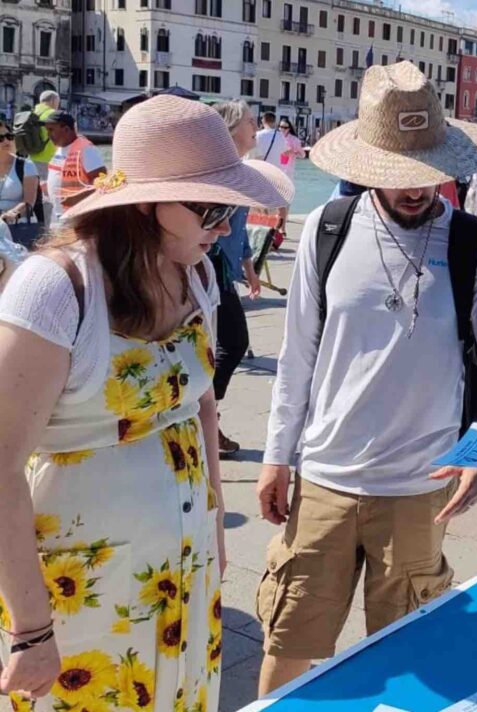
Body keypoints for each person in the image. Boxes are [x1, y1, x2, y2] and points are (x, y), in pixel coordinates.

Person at [0, 95, 292, 712]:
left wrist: (214, 526)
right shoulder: (58, 288)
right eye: (211, 208)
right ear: (144, 201)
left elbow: (201, 408)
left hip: (183, 575)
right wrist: (31, 630)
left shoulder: (198, 275)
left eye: (228, 210)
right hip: (79, 592)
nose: (222, 227)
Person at [254, 61, 477, 695]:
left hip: (420, 490)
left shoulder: (471, 243)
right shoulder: (328, 230)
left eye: (428, 171)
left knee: (411, 660)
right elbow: (297, 355)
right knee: (289, 648)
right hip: (323, 479)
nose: (416, 188)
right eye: (401, 173)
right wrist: (276, 456)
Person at [210, 100, 264, 456]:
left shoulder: (237, 170)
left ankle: (204, 421)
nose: (255, 126)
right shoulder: (219, 171)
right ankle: (202, 421)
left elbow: (238, 229)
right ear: (230, 129)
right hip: (208, 264)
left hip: (223, 268)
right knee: (232, 342)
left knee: (222, 345)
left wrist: (249, 270)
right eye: (249, 121)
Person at [44, 112, 107, 224]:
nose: (48, 135)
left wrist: (78, 198)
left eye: (51, 130)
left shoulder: (86, 150)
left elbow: (103, 182)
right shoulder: (60, 148)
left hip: (78, 215)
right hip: (58, 214)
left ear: (66, 129)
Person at [254, 112, 291, 244]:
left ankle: (265, 226)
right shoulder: (280, 136)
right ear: (274, 122)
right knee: (280, 202)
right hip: (277, 173)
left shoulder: (258, 136)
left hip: (262, 172)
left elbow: (254, 154)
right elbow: (285, 151)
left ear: (263, 121)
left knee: (259, 202)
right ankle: (281, 228)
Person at [0, 118, 40, 225]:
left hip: (18, 224)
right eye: (0, 138)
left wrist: (13, 215)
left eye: (9, 136)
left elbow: (29, 203)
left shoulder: (26, 165)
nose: (6, 141)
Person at [28, 90, 60, 183]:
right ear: (53, 101)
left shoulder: (32, 113)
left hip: (30, 159)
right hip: (47, 159)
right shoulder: (53, 114)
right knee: (46, 190)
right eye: (58, 102)